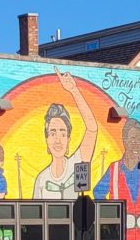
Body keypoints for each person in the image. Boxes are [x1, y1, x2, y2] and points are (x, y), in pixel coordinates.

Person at [33, 67, 98, 199]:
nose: (58, 140)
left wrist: (74, 90)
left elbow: (92, 128)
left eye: (63, 134)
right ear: (47, 139)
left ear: (68, 138)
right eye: (53, 133)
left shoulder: (77, 163)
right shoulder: (42, 179)